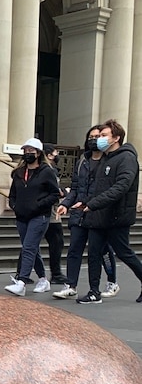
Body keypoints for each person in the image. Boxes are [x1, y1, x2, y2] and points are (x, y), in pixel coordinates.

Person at [76, 119, 142, 304]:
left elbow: (121, 187)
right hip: (99, 215)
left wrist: (94, 203)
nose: (100, 139)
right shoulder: (105, 158)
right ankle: (93, 292)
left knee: (123, 252)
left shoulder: (127, 158)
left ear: (116, 138)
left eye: (104, 136)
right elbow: (99, 187)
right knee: (94, 253)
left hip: (116, 216)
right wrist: (85, 202)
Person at [53, 126, 119, 299]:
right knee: (74, 249)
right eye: (91, 136)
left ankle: (110, 281)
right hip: (79, 212)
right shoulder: (83, 161)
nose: (94, 140)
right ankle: (71, 285)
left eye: (98, 136)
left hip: (97, 212)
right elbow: (75, 188)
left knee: (101, 251)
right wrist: (66, 204)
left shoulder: (109, 161)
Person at [3, 138, 59, 296]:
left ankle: (22, 281)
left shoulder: (46, 172)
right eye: (26, 151)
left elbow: (55, 194)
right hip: (22, 216)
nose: (28, 154)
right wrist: (14, 206)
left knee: (28, 247)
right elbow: (12, 194)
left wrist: (40, 204)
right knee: (32, 249)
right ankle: (43, 279)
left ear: (38, 153)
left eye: (31, 151)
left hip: (39, 216)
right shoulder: (19, 173)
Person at [41, 143, 68, 284]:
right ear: (50, 154)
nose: (57, 155)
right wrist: (63, 193)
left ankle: (22, 273)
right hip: (50, 213)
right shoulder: (47, 170)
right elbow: (55, 190)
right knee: (56, 242)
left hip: (49, 212)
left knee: (32, 243)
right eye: (56, 152)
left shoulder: (48, 170)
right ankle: (56, 273)